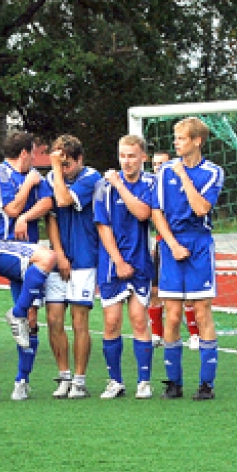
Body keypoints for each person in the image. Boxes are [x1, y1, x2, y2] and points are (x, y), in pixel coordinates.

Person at [150, 117, 224, 400]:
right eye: (175, 137)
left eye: (181, 138)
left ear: (197, 141)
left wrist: (183, 176)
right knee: (173, 314)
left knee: (202, 311)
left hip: (200, 246)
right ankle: (174, 382)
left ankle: (206, 384)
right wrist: (171, 245)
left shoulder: (213, 173)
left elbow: (201, 208)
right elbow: (156, 212)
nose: (176, 142)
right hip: (171, 245)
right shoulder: (163, 171)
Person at [0, 131, 56, 400]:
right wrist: (27, 186)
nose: (36, 159)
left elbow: (48, 202)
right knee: (48, 257)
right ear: (25, 153)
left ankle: (21, 381)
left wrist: (27, 215)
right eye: (34, 153)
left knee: (32, 321)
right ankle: (15, 312)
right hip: (3, 244)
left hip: (27, 253)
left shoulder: (36, 174)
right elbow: (11, 210)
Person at [95, 135, 158, 399]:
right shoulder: (102, 187)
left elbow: (144, 213)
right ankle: (115, 380)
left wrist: (120, 186)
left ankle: (144, 381)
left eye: (132, 156)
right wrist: (118, 261)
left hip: (141, 262)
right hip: (112, 265)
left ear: (143, 157)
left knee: (138, 320)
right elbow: (103, 226)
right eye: (122, 156)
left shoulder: (150, 184)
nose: (126, 161)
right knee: (111, 322)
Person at [41, 135, 103, 399]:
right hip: (60, 258)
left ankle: (80, 379)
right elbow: (51, 217)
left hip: (85, 257)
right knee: (53, 318)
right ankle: (63, 376)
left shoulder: (91, 177)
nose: (63, 169)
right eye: (59, 163)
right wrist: (58, 254)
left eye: (67, 164)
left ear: (79, 160)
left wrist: (56, 170)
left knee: (79, 320)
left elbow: (65, 200)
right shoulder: (50, 179)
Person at [148, 151, 201, 349]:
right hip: (161, 244)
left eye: (162, 163)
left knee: (186, 293)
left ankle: (194, 334)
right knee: (155, 290)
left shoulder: (179, 186)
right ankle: (156, 334)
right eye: (154, 164)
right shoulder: (152, 187)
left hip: (182, 243)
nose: (158, 167)